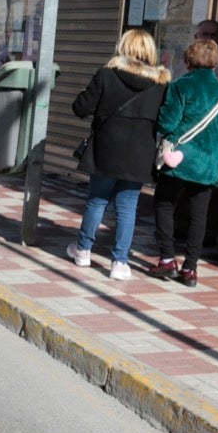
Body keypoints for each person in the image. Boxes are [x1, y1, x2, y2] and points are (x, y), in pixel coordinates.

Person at [66, 28, 170, 281]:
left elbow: (80, 108)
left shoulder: (106, 75)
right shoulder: (161, 84)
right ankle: (120, 262)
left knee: (98, 200)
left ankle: (83, 250)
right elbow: (166, 120)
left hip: (106, 147)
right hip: (140, 152)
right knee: (128, 207)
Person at [151, 37, 218, 288]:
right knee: (200, 215)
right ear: (215, 62)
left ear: (188, 60)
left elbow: (167, 123)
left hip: (179, 160)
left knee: (164, 204)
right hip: (209, 163)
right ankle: (190, 268)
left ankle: (167, 259)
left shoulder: (180, 86)